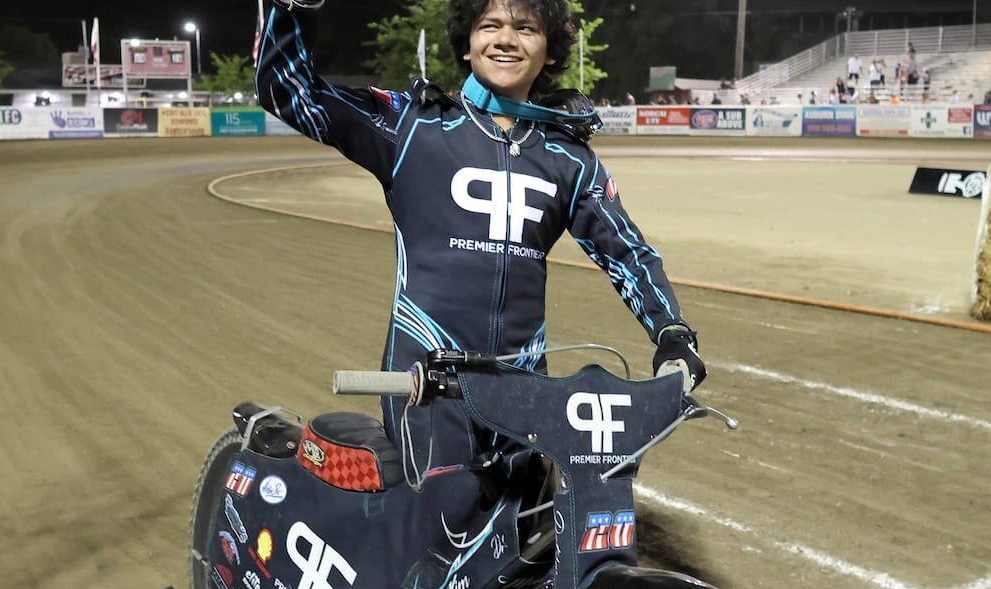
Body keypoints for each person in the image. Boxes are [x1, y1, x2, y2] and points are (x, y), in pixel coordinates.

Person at [255, 0, 708, 445]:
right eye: (489, 25)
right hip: (426, 395)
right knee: (448, 515)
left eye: (526, 28)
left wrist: (672, 333)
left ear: (550, 50)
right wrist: (296, 7)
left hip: (526, 398)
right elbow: (287, 91)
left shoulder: (570, 160)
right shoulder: (414, 126)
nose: (506, 39)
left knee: (542, 515)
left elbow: (627, 253)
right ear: (467, 45)